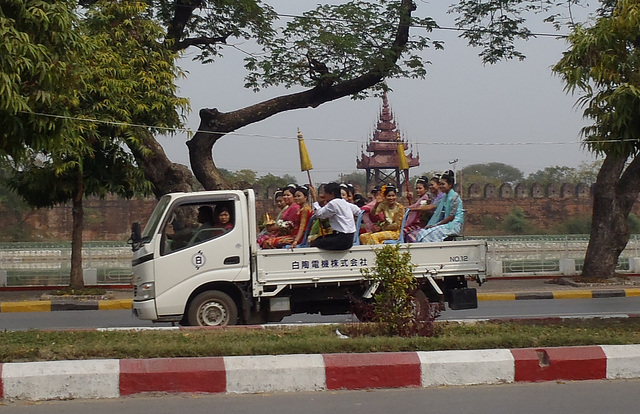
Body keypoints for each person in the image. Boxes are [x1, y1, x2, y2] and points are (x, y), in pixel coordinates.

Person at [412, 170, 464, 243]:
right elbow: (433, 206)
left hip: (453, 226)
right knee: (421, 233)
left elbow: (451, 216)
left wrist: (436, 225)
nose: (441, 186)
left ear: (450, 185)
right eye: (440, 184)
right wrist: (413, 208)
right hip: (446, 225)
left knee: (425, 235)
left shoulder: (454, 197)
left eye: (443, 184)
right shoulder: (445, 196)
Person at [309, 182, 362, 250]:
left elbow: (320, 214)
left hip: (341, 239)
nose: (324, 195)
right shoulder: (343, 202)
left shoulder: (333, 203)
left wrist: (314, 198)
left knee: (316, 243)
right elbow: (358, 211)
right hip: (349, 237)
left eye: (326, 193)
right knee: (321, 239)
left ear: (332, 193)